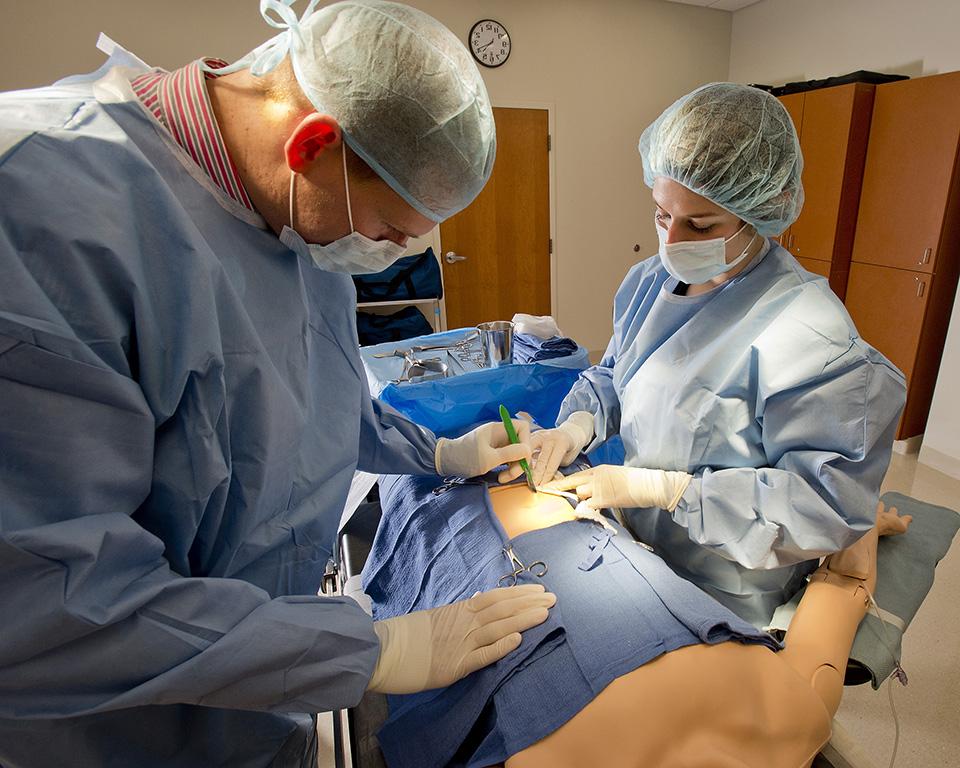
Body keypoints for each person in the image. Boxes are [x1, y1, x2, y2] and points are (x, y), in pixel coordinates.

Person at [0, 2, 554, 766]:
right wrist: (365, 650)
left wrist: (439, 453)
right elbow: (48, 607)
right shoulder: (35, 206)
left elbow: (313, 398)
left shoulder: (297, 222)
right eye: (389, 231)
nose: (389, 255)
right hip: (108, 734)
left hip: (256, 704)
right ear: (313, 143)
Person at [527, 82, 906, 628]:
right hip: (637, 554)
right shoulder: (649, 283)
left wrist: (670, 491)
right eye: (662, 216)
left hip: (728, 588)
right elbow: (618, 374)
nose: (673, 242)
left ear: (762, 211)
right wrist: (577, 426)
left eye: (700, 225)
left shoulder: (809, 337)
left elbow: (823, 505)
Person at [360, 472, 910, 768]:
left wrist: (860, 527)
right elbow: (846, 580)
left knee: (419, 472)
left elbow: (846, 578)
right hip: (572, 517)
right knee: (529, 452)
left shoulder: (791, 717)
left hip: (454, 524)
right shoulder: (792, 719)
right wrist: (859, 525)